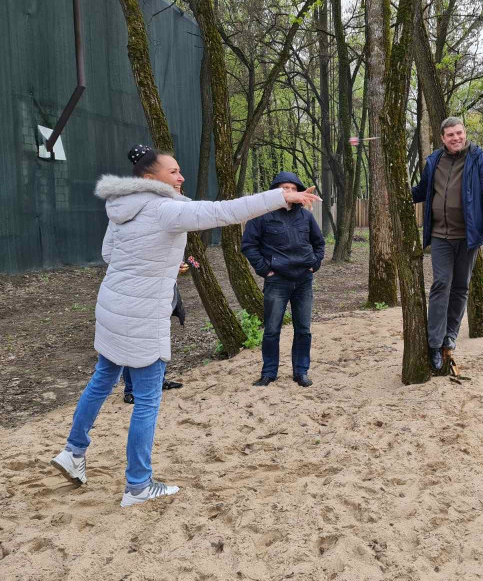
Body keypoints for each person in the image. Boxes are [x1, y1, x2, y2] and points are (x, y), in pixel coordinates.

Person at [50, 145, 320, 507]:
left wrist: (156, 263)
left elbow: (111, 255)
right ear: (150, 177)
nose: (181, 177)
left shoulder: (121, 206)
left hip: (114, 306)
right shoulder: (165, 208)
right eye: (173, 171)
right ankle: (138, 485)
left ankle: (73, 451)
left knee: (102, 379)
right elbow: (224, 211)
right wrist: (280, 197)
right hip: (143, 313)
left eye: (180, 171)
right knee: (147, 399)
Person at [411, 117, 483, 370]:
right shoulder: (434, 161)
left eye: (459, 133)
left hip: (468, 237)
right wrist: (397, 193)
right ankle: (434, 343)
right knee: (441, 284)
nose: (456, 138)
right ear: (442, 138)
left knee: (460, 287)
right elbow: (422, 191)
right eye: (450, 134)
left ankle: (450, 336)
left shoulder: (479, 159)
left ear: (465, 133)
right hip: (440, 236)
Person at [241, 172, 325, 388]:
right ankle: (269, 373)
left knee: (303, 329)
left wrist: (314, 264)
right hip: (277, 281)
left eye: (293, 188)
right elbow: (248, 245)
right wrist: (265, 270)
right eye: (284, 188)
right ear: (274, 191)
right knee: (271, 330)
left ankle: (301, 372)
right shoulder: (261, 215)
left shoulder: (305, 216)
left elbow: (319, 243)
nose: (289, 191)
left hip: (303, 280)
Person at [122, 265, 187, 404]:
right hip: (142, 298)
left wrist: (175, 266)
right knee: (134, 345)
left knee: (159, 342)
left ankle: (160, 381)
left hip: (161, 297)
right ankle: (130, 390)